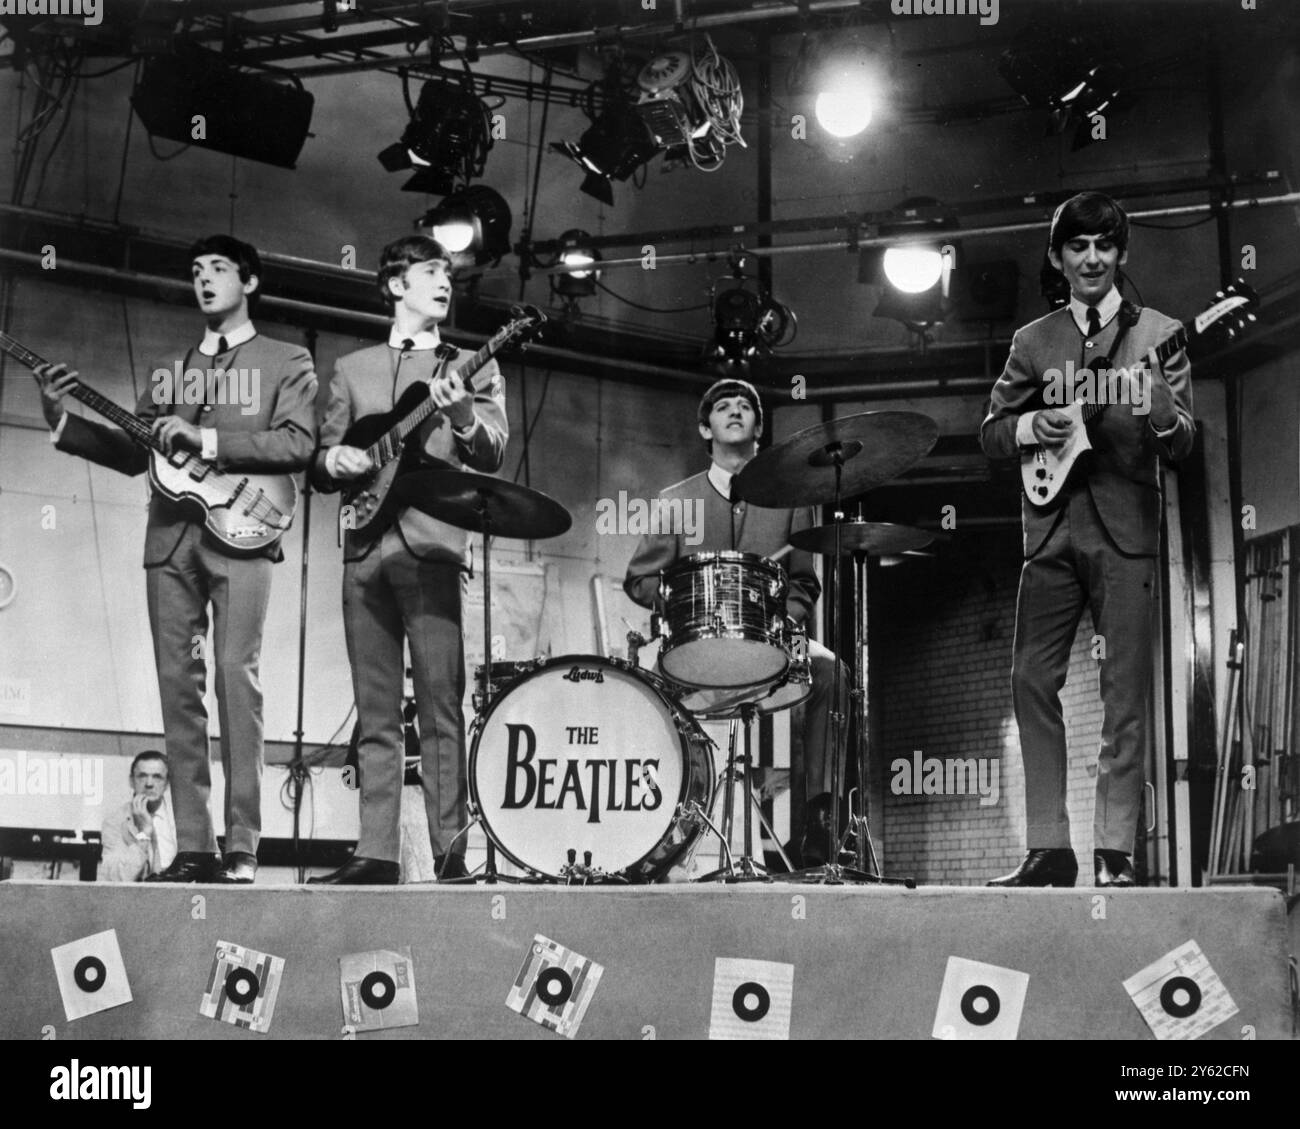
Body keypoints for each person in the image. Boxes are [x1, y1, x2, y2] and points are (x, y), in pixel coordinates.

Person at [34, 235, 319, 885]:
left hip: (245, 529)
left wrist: (210, 437)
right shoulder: (170, 368)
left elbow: (298, 442)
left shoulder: (285, 358)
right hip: (168, 538)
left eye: (218, 268)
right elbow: (137, 451)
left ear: (249, 281)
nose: (204, 279)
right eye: (196, 271)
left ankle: (243, 842)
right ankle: (195, 843)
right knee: (178, 693)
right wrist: (62, 418)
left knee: (233, 677)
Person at [980, 191, 1194, 888]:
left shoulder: (1160, 333)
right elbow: (989, 433)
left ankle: (1115, 852)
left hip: (1126, 530)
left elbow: (1186, 440)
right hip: (1048, 531)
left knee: (1123, 693)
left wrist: (1164, 413)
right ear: (1058, 257)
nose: (1093, 258)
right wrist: (1024, 430)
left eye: (1105, 245)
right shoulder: (1032, 341)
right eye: (1079, 246)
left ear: (1121, 254)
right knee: (1028, 680)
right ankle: (1050, 847)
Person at [308, 235, 507, 885]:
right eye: (429, 272)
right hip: (362, 548)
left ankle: (451, 852)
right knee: (374, 709)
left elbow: (492, 452)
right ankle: (376, 851)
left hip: (432, 546)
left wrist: (466, 419)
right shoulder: (351, 368)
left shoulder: (473, 364)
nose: (444, 282)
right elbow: (324, 456)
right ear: (395, 285)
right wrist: (331, 459)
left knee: (440, 707)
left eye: (448, 274)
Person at [624, 378, 848, 866]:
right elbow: (640, 580)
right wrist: (677, 602)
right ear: (706, 428)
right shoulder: (675, 500)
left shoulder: (792, 497)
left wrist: (781, 625)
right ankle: (652, 829)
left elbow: (804, 583)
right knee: (640, 687)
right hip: (694, 649)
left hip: (771, 645)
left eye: (746, 406)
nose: (735, 411)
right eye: (723, 406)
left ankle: (819, 820)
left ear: (759, 429)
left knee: (830, 668)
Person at [99, 751, 177, 882]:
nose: (149, 784)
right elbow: (115, 878)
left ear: (167, 783)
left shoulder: (180, 820)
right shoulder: (115, 821)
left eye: (157, 777)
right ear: (131, 781)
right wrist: (144, 834)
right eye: (142, 776)